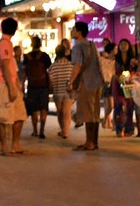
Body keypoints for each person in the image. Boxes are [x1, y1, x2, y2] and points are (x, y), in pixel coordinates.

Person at [0, 18, 27, 156]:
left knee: (20, 115)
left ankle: (14, 144)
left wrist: (16, 84)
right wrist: (12, 87)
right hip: (2, 83)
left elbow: (11, 68)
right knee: (2, 117)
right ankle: (5, 146)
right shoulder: (5, 44)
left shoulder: (7, 44)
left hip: (9, 83)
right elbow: (5, 67)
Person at [70, 21, 105, 152]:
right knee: (95, 113)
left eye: (74, 29)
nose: (72, 31)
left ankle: (89, 142)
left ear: (79, 32)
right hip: (97, 82)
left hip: (86, 83)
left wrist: (71, 82)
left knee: (87, 113)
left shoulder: (77, 47)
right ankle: (94, 142)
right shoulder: (92, 44)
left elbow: (77, 66)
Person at [22, 36, 52, 139]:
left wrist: (22, 85)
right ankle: (41, 131)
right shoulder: (45, 56)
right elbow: (49, 71)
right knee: (43, 108)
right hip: (43, 86)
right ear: (40, 44)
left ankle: (34, 130)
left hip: (32, 86)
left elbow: (24, 73)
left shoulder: (27, 57)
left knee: (33, 109)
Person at [48, 44, 74, 138]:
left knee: (60, 112)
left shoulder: (53, 66)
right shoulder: (71, 65)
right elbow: (74, 78)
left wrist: (50, 88)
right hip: (68, 92)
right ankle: (65, 132)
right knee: (66, 112)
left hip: (57, 91)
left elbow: (51, 80)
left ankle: (63, 130)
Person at [113, 38, 138, 136]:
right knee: (119, 105)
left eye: (125, 44)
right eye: (121, 44)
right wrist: (117, 77)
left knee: (130, 106)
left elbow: (136, 71)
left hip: (129, 84)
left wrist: (131, 76)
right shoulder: (115, 59)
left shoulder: (132, 59)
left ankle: (129, 129)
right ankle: (119, 129)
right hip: (118, 84)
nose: (123, 46)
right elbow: (111, 71)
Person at [99, 41, 117, 130]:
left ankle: (108, 122)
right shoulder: (103, 61)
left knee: (111, 105)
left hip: (115, 84)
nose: (117, 50)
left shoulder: (116, 62)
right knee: (110, 105)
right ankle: (105, 120)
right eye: (115, 48)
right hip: (107, 84)